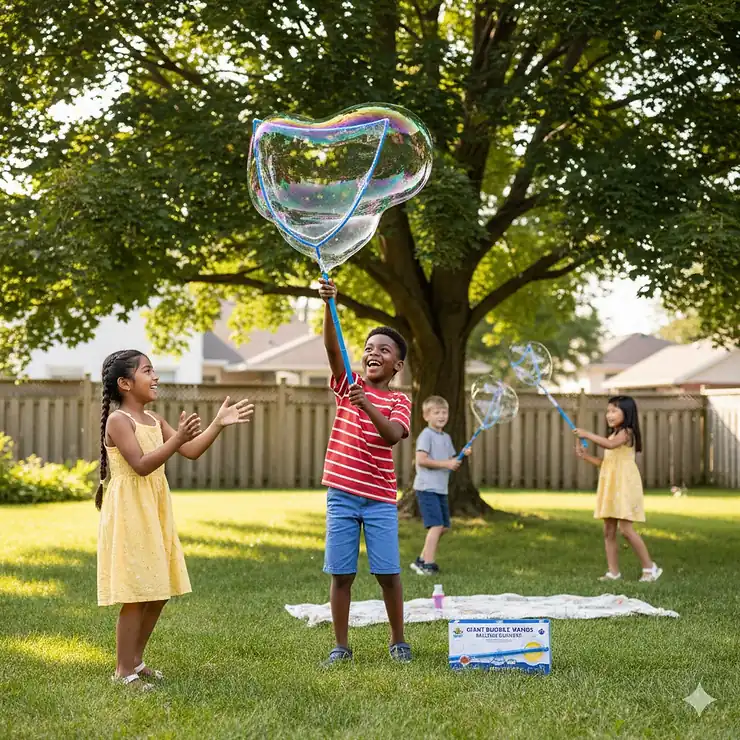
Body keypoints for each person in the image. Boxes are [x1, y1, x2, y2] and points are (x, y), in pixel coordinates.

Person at [96, 350, 253, 689]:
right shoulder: (119, 421)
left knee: (158, 589)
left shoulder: (154, 419)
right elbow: (140, 464)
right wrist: (178, 438)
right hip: (130, 512)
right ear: (125, 383)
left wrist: (216, 424)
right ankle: (123, 671)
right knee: (137, 592)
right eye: (147, 371)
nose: (155, 377)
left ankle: (136, 662)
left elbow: (191, 450)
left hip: (154, 511)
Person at [318, 278, 412, 665]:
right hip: (341, 495)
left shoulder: (399, 400)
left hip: (379, 499)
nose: (374, 353)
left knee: (387, 573)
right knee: (341, 575)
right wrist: (329, 305)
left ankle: (398, 640)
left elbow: (391, 435)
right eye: (369, 348)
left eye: (384, 350)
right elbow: (330, 348)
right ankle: (341, 646)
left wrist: (367, 405)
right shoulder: (347, 384)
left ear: (397, 364)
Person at [574, 395, 662, 582]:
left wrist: (587, 434)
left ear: (627, 413)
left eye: (614, 410)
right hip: (611, 485)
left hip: (625, 485)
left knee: (626, 529)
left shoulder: (627, 433)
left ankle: (650, 568)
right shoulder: (613, 434)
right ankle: (613, 573)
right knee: (609, 530)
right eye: (608, 411)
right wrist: (586, 456)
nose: (609, 414)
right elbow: (605, 462)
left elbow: (611, 445)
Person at [410, 395, 470, 576]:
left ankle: (420, 560)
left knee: (443, 527)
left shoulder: (446, 437)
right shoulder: (426, 436)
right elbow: (421, 460)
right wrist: (447, 464)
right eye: (437, 412)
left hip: (440, 488)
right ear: (426, 416)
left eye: (444, 412)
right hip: (427, 488)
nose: (442, 416)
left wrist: (462, 455)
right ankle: (428, 564)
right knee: (436, 526)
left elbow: (451, 460)